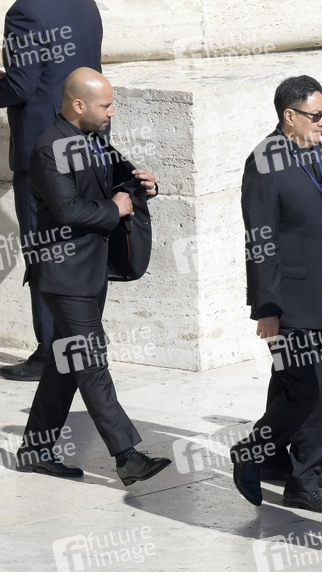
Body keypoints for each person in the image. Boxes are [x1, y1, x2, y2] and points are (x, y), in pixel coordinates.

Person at [15, 68, 170, 485]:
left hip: (88, 273)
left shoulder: (93, 138)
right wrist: (114, 209)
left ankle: (34, 450)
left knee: (65, 364)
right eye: (105, 105)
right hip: (63, 276)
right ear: (78, 104)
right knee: (91, 360)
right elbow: (68, 210)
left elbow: (118, 178)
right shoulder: (48, 149)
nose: (111, 112)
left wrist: (144, 185)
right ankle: (127, 456)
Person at [230, 75, 322, 515]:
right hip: (291, 299)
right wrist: (266, 308)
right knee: (306, 389)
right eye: (316, 115)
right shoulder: (264, 161)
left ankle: (302, 464)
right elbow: (260, 239)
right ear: (290, 115)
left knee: (312, 385)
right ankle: (283, 469)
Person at [0, 0, 103, 381]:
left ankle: (49, 353)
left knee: (44, 253)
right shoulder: (85, 4)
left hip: (41, 151)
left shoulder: (24, 12)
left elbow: (20, 85)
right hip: (84, 145)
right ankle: (79, 345)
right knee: (76, 249)